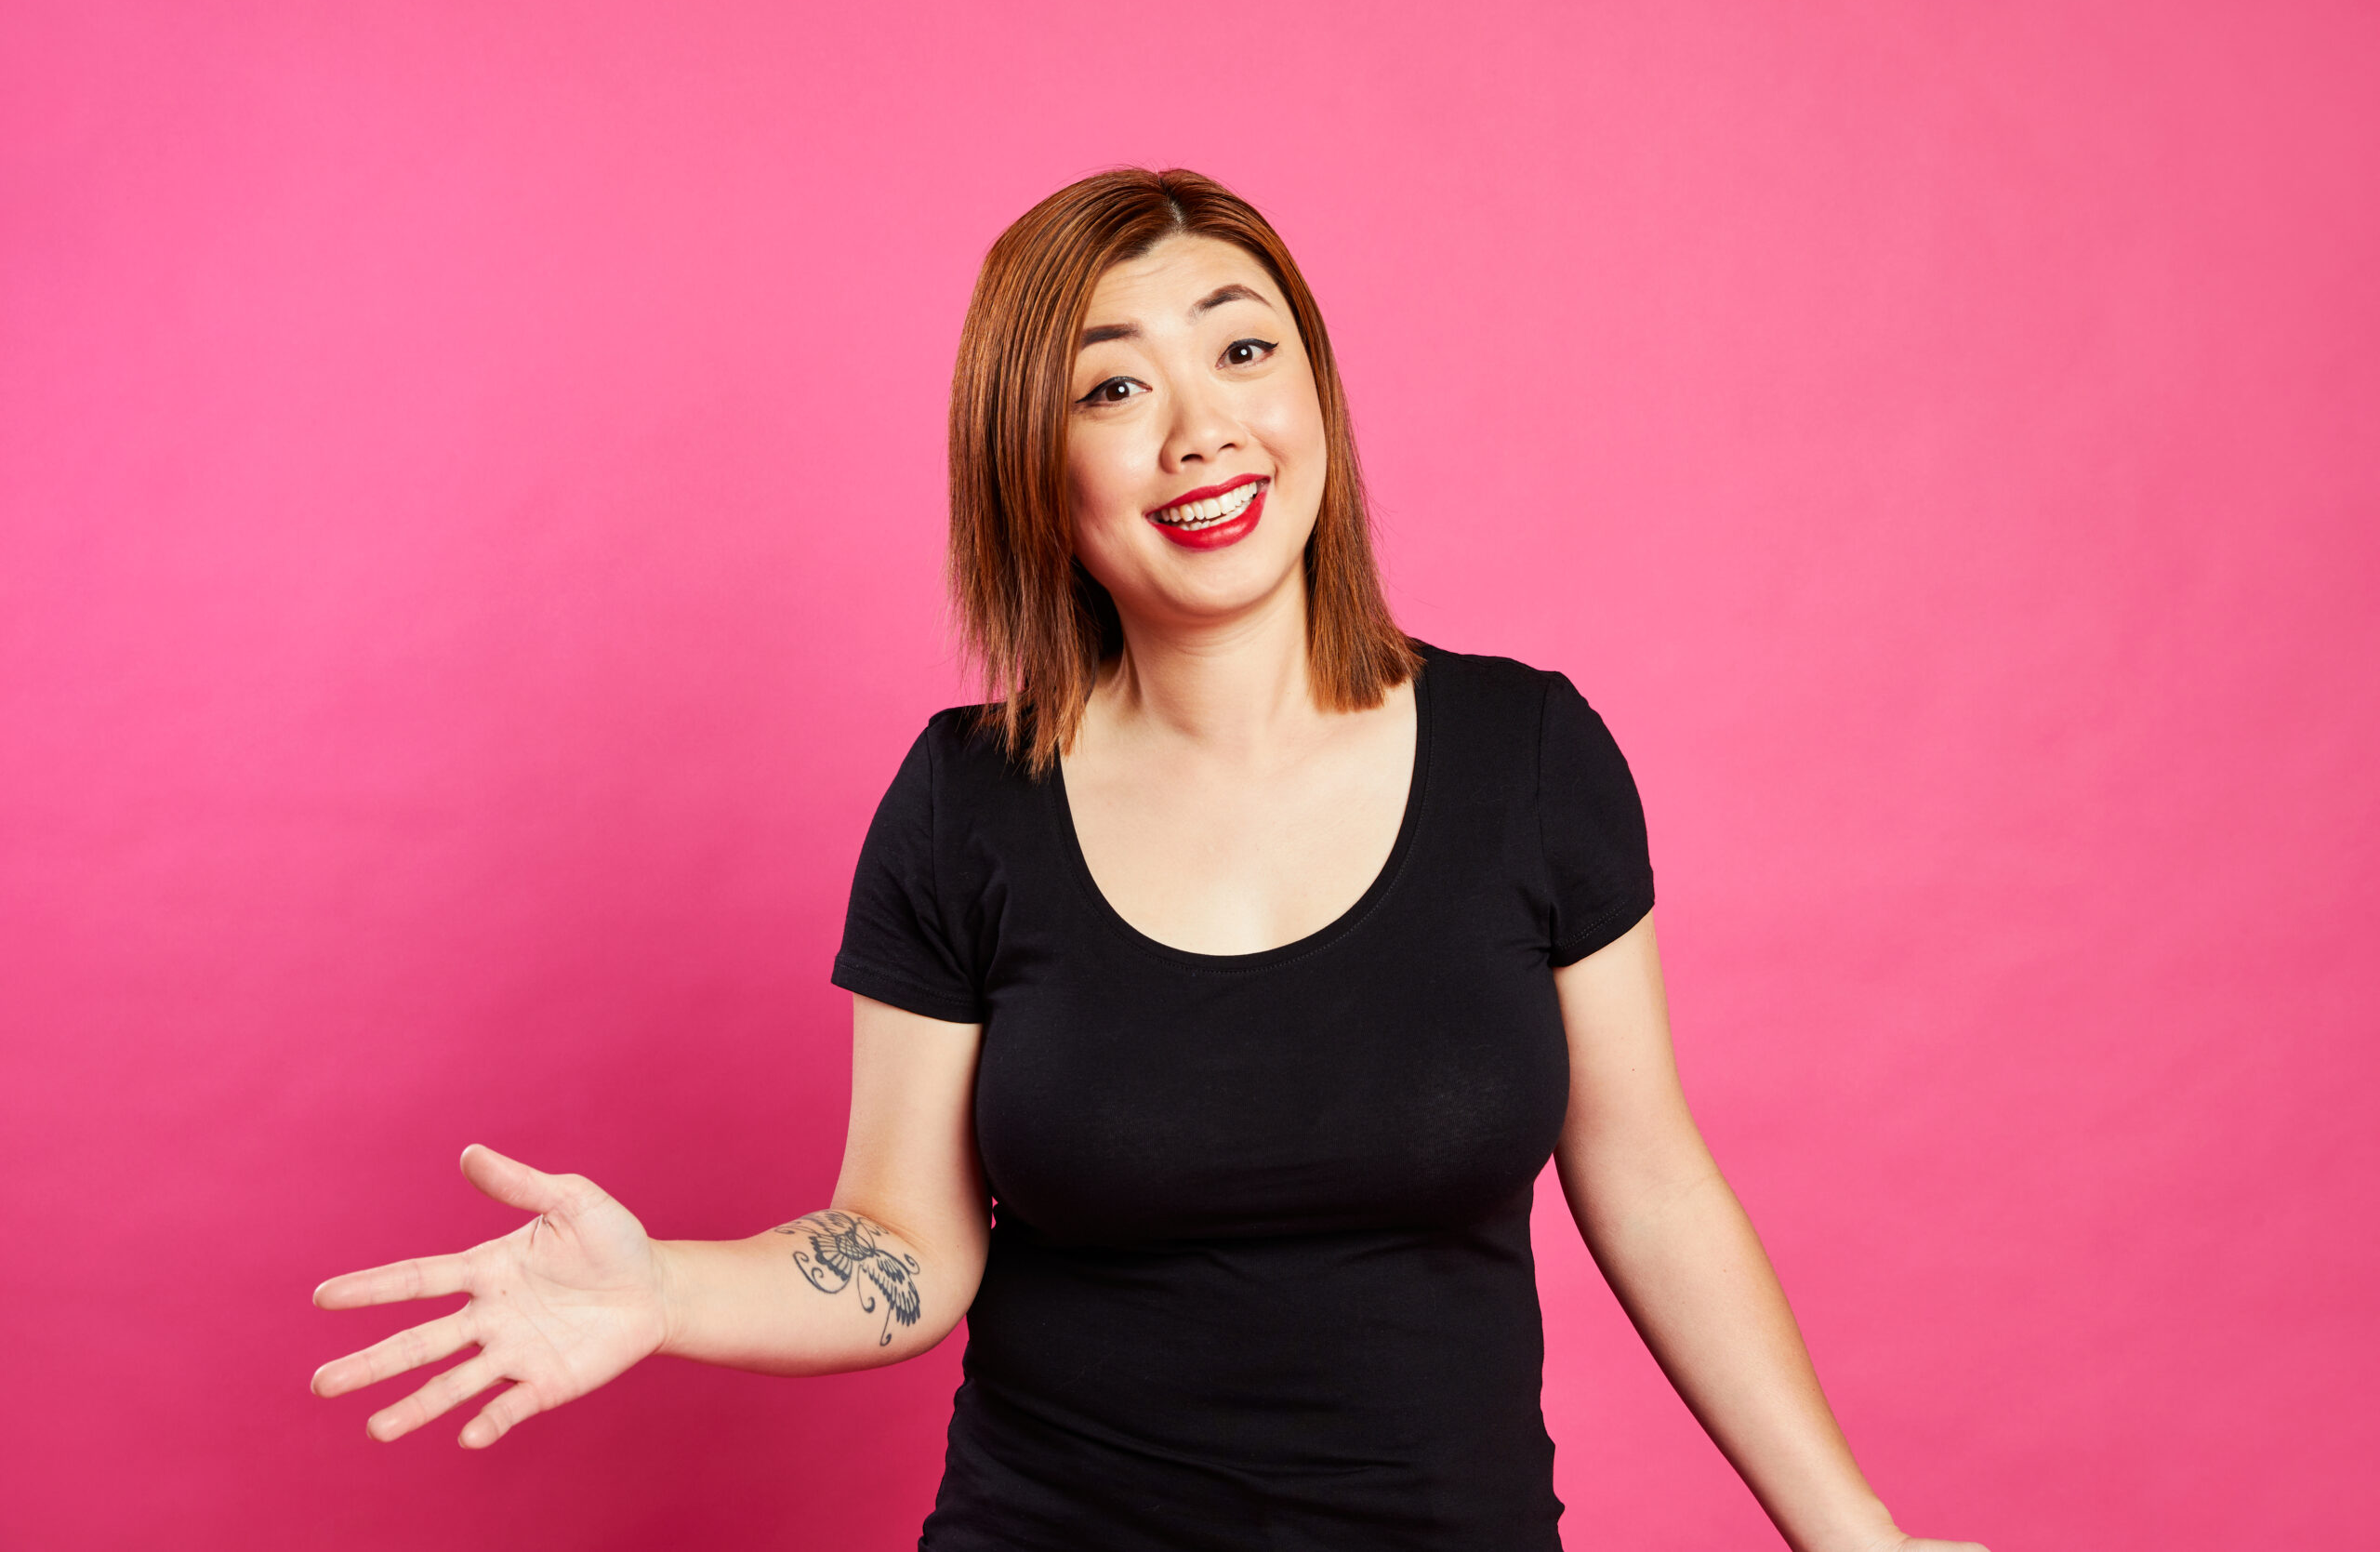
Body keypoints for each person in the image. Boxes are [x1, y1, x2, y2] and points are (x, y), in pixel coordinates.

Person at [312, 167, 1986, 1552]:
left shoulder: (1529, 756)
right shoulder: (966, 802)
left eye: (1243, 351)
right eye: (1112, 387)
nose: (1200, 429)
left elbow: (1649, 1176)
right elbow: (906, 1243)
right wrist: (661, 1293)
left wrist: (1853, 1534)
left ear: (1315, 394)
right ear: (1034, 470)